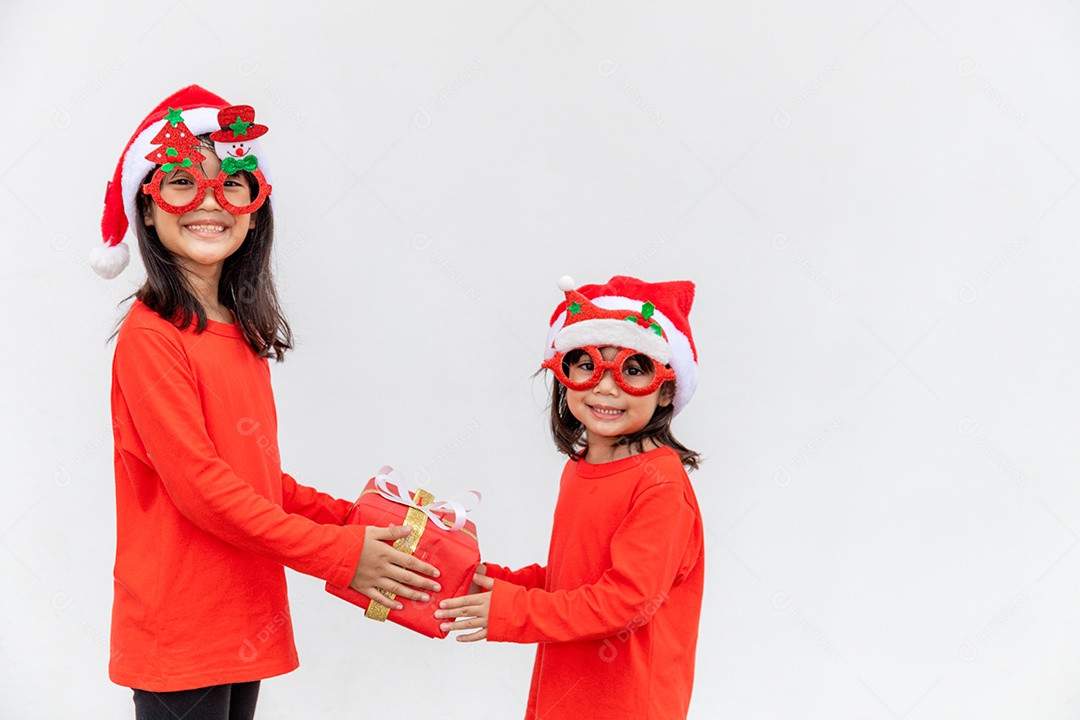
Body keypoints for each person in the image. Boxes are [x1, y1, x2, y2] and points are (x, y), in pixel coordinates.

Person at [92, 85, 441, 720]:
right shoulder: (152, 336)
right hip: (182, 630)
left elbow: (250, 480)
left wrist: (355, 523)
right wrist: (339, 555)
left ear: (256, 207)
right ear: (145, 208)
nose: (209, 203)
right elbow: (202, 489)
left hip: (241, 619)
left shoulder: (236, 330)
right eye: (179, 182)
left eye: (232, 185)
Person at [436, 275, 705, 719]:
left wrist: (513, 611)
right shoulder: (582, 468)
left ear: (666, 391)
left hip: (624, 703)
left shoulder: (660, 485)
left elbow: (625, 601)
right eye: (587, 365)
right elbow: (577, 579)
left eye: (633, 370)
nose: (604, 386)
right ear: (564, 373)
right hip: (567, 691)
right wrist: (498, 582)